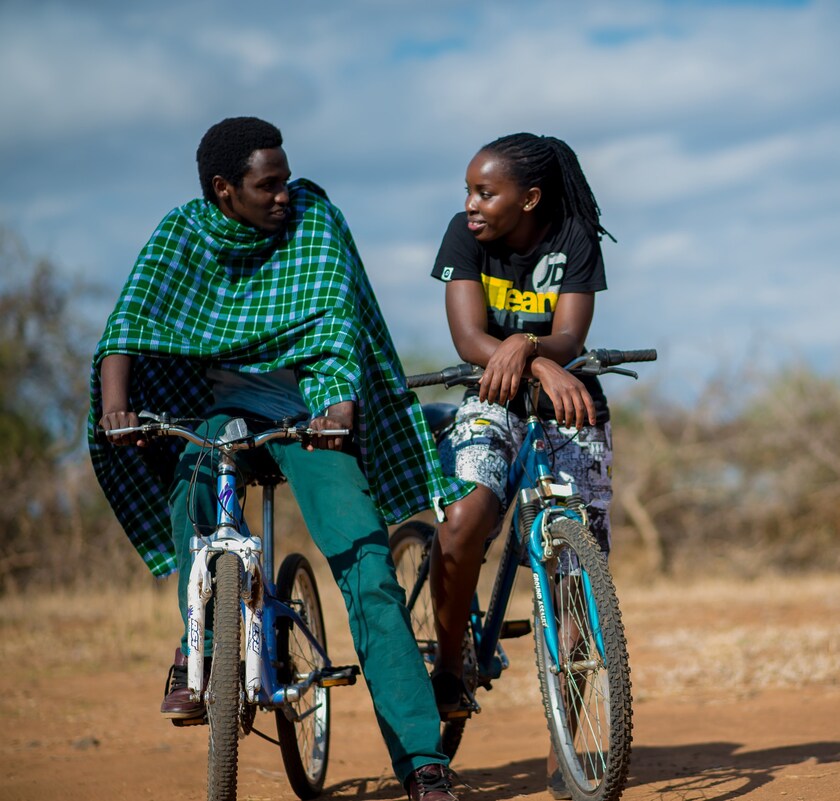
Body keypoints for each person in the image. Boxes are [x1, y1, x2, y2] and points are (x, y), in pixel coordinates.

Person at [88, 116, 469, 801]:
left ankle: (422, 758)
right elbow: (128, 324)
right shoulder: (183, 232)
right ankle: (197, 646)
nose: (283, 194)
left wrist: (339, 408)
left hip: (310, 408)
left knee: (367, 566)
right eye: (268, 184)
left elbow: (336, 330)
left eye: (286, 178)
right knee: (193, 487)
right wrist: (117, 408)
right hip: (217, 410)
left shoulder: (314, 222)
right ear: (223, 189)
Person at [428, 132, 615, 799]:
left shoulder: (571, 237)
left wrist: (535, 349)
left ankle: (569, 747)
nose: (472, 205)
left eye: (486, 192)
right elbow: (467, 338)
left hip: (567, 400)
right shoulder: (464, 236)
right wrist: (526, 357)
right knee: (462, 520)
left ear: (529, 197)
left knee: (577, 575)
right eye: (470, 191)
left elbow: (571, 336)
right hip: (488, 397)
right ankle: (448, 666)